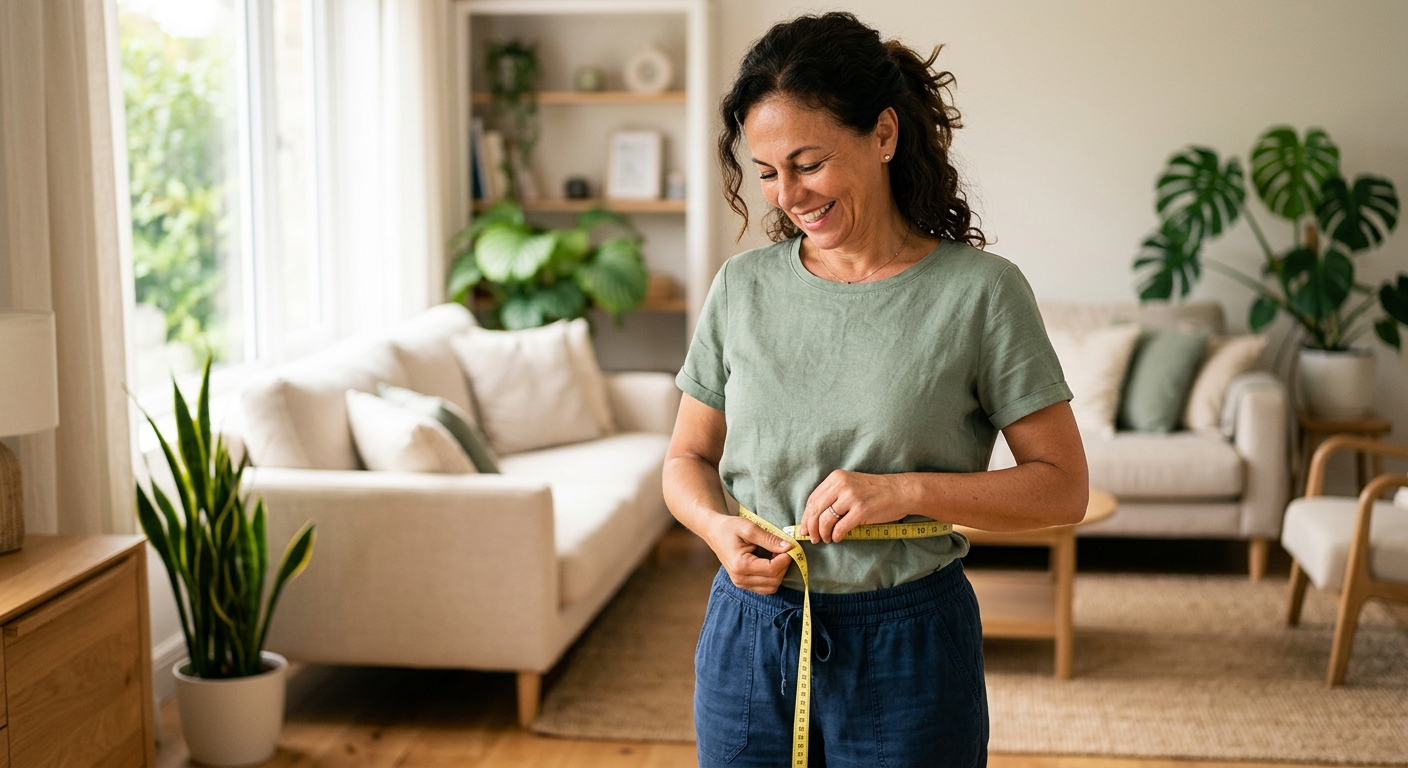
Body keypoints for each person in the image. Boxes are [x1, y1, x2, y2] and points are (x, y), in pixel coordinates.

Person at [662, 11, 1089, 768]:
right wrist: (717, 530)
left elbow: (1062, 490)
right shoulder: (741, 288)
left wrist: (904, 492)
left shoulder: (981, 294)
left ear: (883, 135)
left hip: (910, 643)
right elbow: (687, 458)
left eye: (808, 163)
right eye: (766, 171)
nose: (787, 195)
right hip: (750, 632)